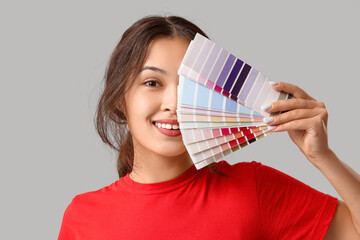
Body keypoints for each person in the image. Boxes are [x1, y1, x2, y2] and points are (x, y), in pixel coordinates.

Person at [58, 15, 360, 239]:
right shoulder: (83, 217)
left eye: (191, 86)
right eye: (152, 83)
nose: (174, 103)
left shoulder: (253, 190)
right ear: (119, 99)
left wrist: (323, 157)